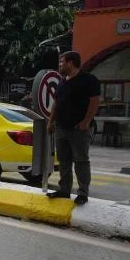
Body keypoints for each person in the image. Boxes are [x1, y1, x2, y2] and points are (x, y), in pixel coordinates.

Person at [46, 51, 100, 205]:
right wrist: (51, 122)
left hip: (79, 129)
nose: (59, 65)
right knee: (64, 161)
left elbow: (94, 101)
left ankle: (83, 193)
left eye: (61, 62)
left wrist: (86, 121)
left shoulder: (89, 80)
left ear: (71, 63)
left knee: (81, 161)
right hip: (61, 128)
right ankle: (64, 190)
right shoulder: (63, 81)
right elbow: (56, 103)